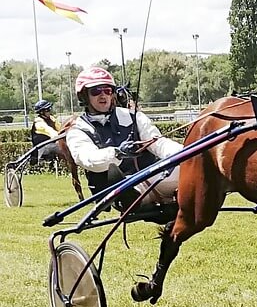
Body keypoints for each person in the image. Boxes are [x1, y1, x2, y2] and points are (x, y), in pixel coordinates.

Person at [65, 66, 183, 209]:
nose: (103, 96)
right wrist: (117, 153)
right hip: (117, 189)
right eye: (96, 91)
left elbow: (158, 142)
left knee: (189, 169)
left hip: (154, 178)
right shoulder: (78, 130)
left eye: (107, 90)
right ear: (84, 96)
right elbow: (87, 159)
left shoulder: (133, 117)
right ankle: (133, 196)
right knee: (127, 186)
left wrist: (183, 152)